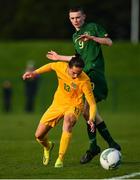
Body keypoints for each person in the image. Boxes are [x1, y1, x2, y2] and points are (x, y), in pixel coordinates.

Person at [46, 6, 121, 164]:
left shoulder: (93, 27)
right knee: (90, 114)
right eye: (72, 18)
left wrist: (93, 38)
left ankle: (94, 147)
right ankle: (111, 143)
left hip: (94, 74)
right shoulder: (75, 36)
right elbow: (77, 58)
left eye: (78, 17)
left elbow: (109, 42)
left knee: (87, 109)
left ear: (84, 17)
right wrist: (59, 57)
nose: (75, 21)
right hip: (83, 75)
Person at [22, 56, 97, 168]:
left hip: (74, 106)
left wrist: (91, 118)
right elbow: (50, 66)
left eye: (79, 73)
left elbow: (92, 104)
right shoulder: (61, 66)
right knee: (39, 135)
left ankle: (60, 159)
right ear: (68, 67)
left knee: (68, 121)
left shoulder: (85, 80)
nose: (76, 76)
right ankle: (48, 146)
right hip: (57, 104)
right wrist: (34, 73)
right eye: (74, 72)